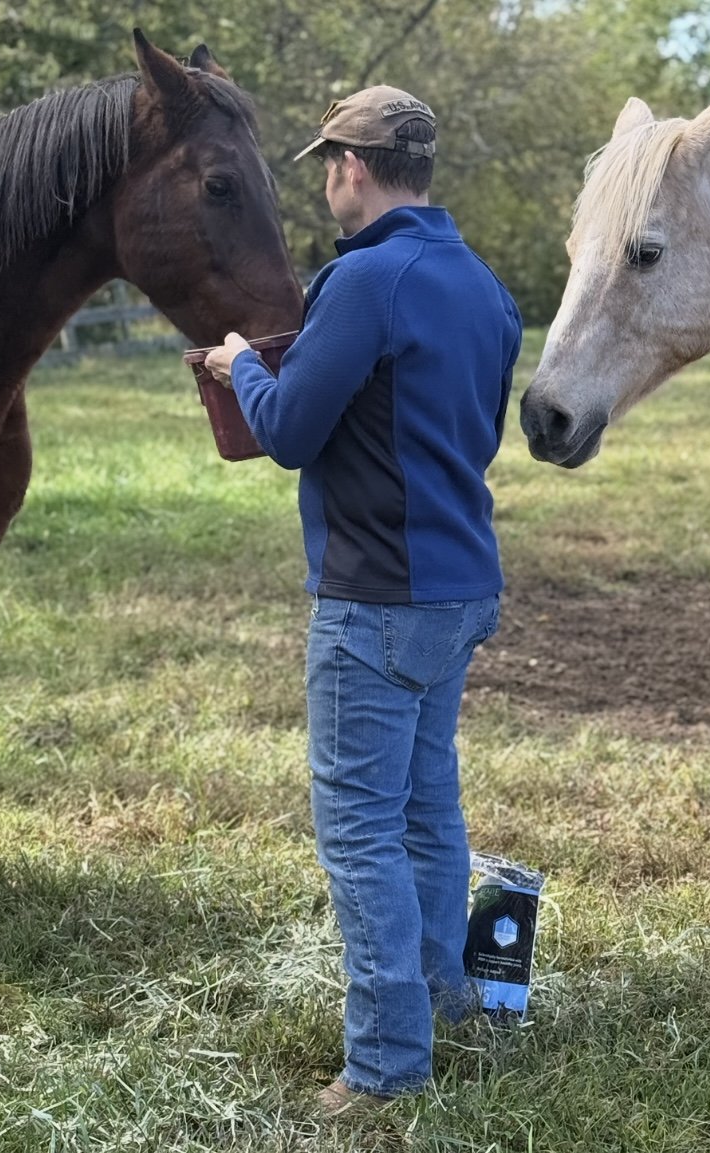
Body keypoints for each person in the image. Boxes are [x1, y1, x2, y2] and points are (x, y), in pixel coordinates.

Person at [203, 85, 522, 1114]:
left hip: (376, 599)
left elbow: (291, 432)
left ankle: (386, 1064)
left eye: (328, 164)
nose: (328, 181)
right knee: (429, 811)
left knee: (360, 834)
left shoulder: (363, 281)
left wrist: (245, 366)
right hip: (461, 587)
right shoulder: (486, 287)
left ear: (351, 164)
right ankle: (446, 992)